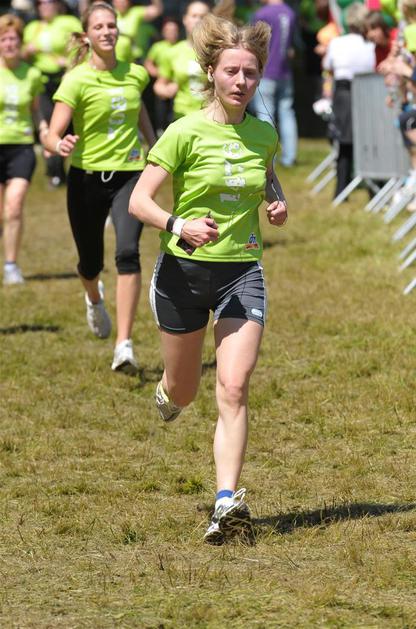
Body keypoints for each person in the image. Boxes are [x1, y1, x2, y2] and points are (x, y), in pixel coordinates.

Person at [129, 13, 288, 544]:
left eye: (250, 73)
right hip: (183, 273)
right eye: (232, 72)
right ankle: (169, 391)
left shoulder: (264, 133)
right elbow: (139, 201)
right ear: (212, 74)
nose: (241, 81)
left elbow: (265, 172)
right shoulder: (184, 131)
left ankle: (226, 502)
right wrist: (180, 225)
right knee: (185, 389)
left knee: (234, 385)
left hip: (242, 271)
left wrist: (276, 201)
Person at [43, 2, 156, 373]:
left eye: (111, 25)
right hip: (86, 178)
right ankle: (93, 296)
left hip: (130, 174)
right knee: (90, 263)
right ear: (87, 35)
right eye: (99, 27)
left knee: (128, 252)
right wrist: (58, 144)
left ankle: (124, 344)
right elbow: (52, 132)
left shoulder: (136, 73)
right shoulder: (76, 80)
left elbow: (139, 110)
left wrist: (153, 145)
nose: (107, 32)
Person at [0, 14, 46, 285]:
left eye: (13, 39)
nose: (9, 44)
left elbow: (36, 111)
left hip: (22, 147)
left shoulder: (32, 74)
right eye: (4, 39)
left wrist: (45, 133)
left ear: (20, 43)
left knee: (14, 206)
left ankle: (11, 265)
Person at [22, 0, 82, 188]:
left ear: (58, 5)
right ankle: (55, 172)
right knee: (49, 126)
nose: (45, 6)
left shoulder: (69, 22)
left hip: (66, 79)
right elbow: (21, 55)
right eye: (41, 3)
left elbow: (83, 47)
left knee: (70, 126)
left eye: (49, 2)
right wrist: (27, 51)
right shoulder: (32, 27)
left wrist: (69, 63)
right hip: (42, 82)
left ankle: (76, 169)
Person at [323, 3, 375, 198]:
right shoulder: (370, 45)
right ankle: (372, 187)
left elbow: (327, 65)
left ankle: (341, 189)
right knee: (367, 141)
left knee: (344, 142)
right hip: (368, 94)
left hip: (343, 94)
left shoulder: (337, 43)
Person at [250, 0, 298, 168]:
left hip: (266, 71)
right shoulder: (290, 13)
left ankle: (269, 157)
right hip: (284, 72)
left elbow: (253, 44)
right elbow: (291, 47)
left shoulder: (262, 14)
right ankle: (290, 157)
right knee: (287, 113)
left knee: (265, 114)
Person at [153, 1, 210, 120]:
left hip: (210, 116)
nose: (198, 20)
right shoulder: (173, 52)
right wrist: (165, 90)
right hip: (182, 116)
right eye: (194, 16)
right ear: (185, 19)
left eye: (203, 17)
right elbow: (160, 84)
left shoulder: (217, 51)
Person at [144, 17, 180, 134]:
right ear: (163, 32)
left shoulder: (181, 46)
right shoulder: (158, 47)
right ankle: (160, 130)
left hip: (178, 84)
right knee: (161, 109)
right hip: (162, 83)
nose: (171, 33)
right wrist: (157, 74)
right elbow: (148, 63)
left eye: (174, 30)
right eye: (168, 30)